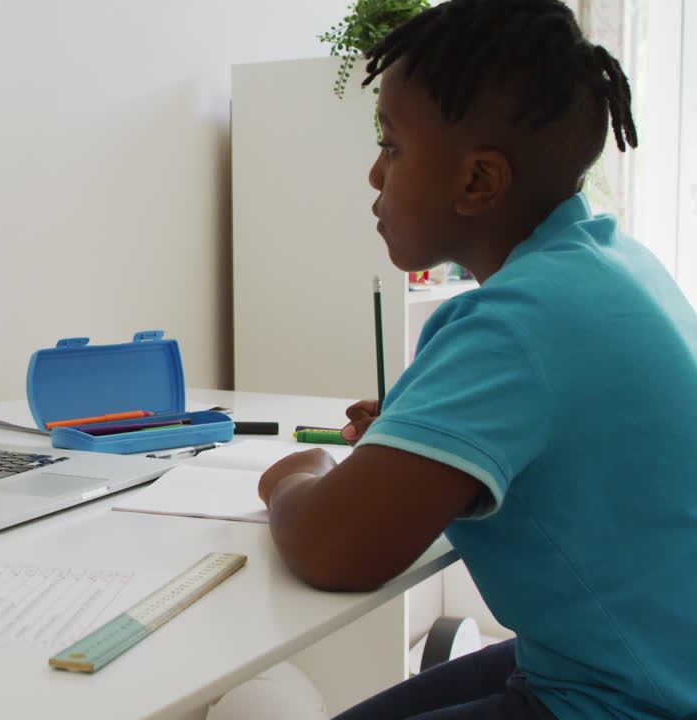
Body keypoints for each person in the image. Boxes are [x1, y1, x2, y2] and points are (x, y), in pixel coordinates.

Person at [255, 1, 697, 718]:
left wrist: (293, 477)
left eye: (391, 147)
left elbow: (335, 549)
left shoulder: (515, 320)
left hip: (632, 699)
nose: (374, 174)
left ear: (477, 183)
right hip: (640, 659)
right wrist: (415, 439)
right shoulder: (609, 264)